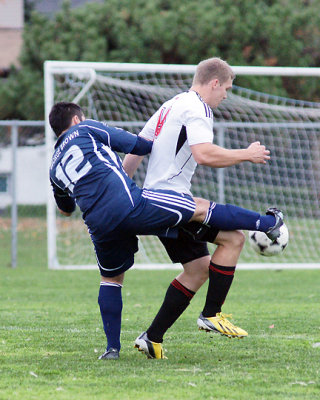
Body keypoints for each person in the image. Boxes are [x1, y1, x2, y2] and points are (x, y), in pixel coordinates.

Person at [49, 101, 283, 360]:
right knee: (199, 208)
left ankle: (112, 349)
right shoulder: (85, 129)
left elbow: (66, 208)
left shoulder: (53, 168)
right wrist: (159, 134)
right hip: (132, 205)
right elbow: (138, 146)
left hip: (98, 224)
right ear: (75, 120)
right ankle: (268, 223)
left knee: (111, 281)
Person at [123, 57, 281, 359]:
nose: (226, 95)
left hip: (154, 198)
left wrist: (124, 189)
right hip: (171, 200)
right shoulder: (198, 108)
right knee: (231, 236)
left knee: (197, 269)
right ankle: (212, 313)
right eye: (227, 89)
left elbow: (138, 148)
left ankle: (152, 338)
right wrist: (246, 154)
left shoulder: (170, 105)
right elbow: (204, 153)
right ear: (215, 83)